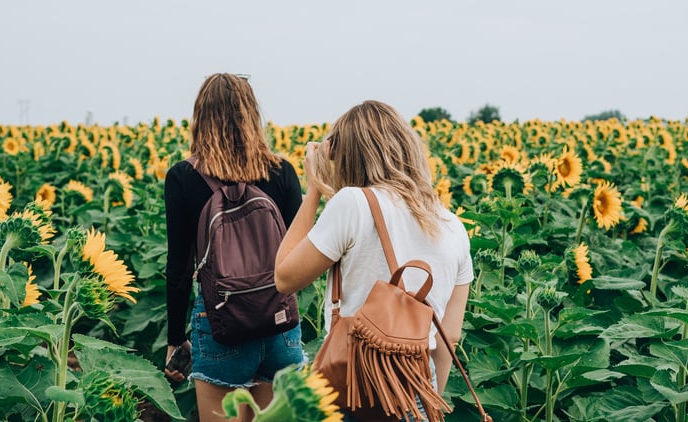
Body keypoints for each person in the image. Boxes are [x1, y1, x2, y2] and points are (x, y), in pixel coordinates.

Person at [275, 100, 473, 420]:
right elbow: (449, 336)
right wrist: (425, 398)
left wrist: (313, 189)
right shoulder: (453, 226)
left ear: (348, 157)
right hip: (417, 388)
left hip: (351, 385)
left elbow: (285, 278)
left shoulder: (353, 202)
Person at [163, 73, 305, 422]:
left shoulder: (183, 177)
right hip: (280, 322)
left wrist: (175, 338)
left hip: (220, 322)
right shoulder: (282, 170)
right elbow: (300, 250)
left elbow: (180, 268)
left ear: (200, 118)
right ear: (251, 114)